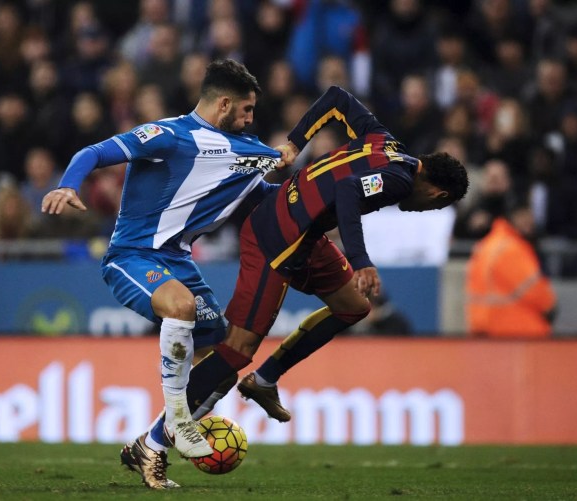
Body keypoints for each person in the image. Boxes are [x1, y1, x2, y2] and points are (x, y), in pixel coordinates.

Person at [121, 85, 468, 477]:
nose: (425, 209)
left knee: (353, 306)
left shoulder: (385, 142)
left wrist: (295, 143)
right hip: (279, 237)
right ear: (439, 194)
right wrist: (361, 261)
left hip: (302, 230)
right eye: (435, 205)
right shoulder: (401, 179)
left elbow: (337, 98)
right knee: (236, 350)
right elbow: (350, 190)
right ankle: (149, 445)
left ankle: (265, 379)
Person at [41, 59, 284, 489]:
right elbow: (94, 152)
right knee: (182, 305)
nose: (251, 119)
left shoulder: (237, 151)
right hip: (131, 257)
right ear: (224, 104)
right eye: (246, 110)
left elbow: (260, 195)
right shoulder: (169, 134)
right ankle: (177, 420)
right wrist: (68, 184)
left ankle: (150, 446)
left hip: (178, 261)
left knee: (225, 363)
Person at [465, 204, 557, 337]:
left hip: (484, 326)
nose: (529, 221)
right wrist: (550, 306)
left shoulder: (486, 245)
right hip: (515, 328)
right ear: (512, 218)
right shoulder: (513, 248)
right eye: (524, 216)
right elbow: (533, 289)